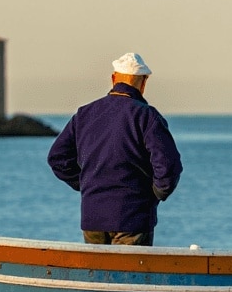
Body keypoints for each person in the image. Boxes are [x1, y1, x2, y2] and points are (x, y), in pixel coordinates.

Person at [47, 52, 182, 246]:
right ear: (143, 82)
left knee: (97, 274)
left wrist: (86, 183)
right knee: (129, 274)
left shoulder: (85, 114)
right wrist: (156, 193)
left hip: (93, 216)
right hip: (133, 217)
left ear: (113, 78)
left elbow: (57, 158)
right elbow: (168, 165)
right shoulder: (146, 116)